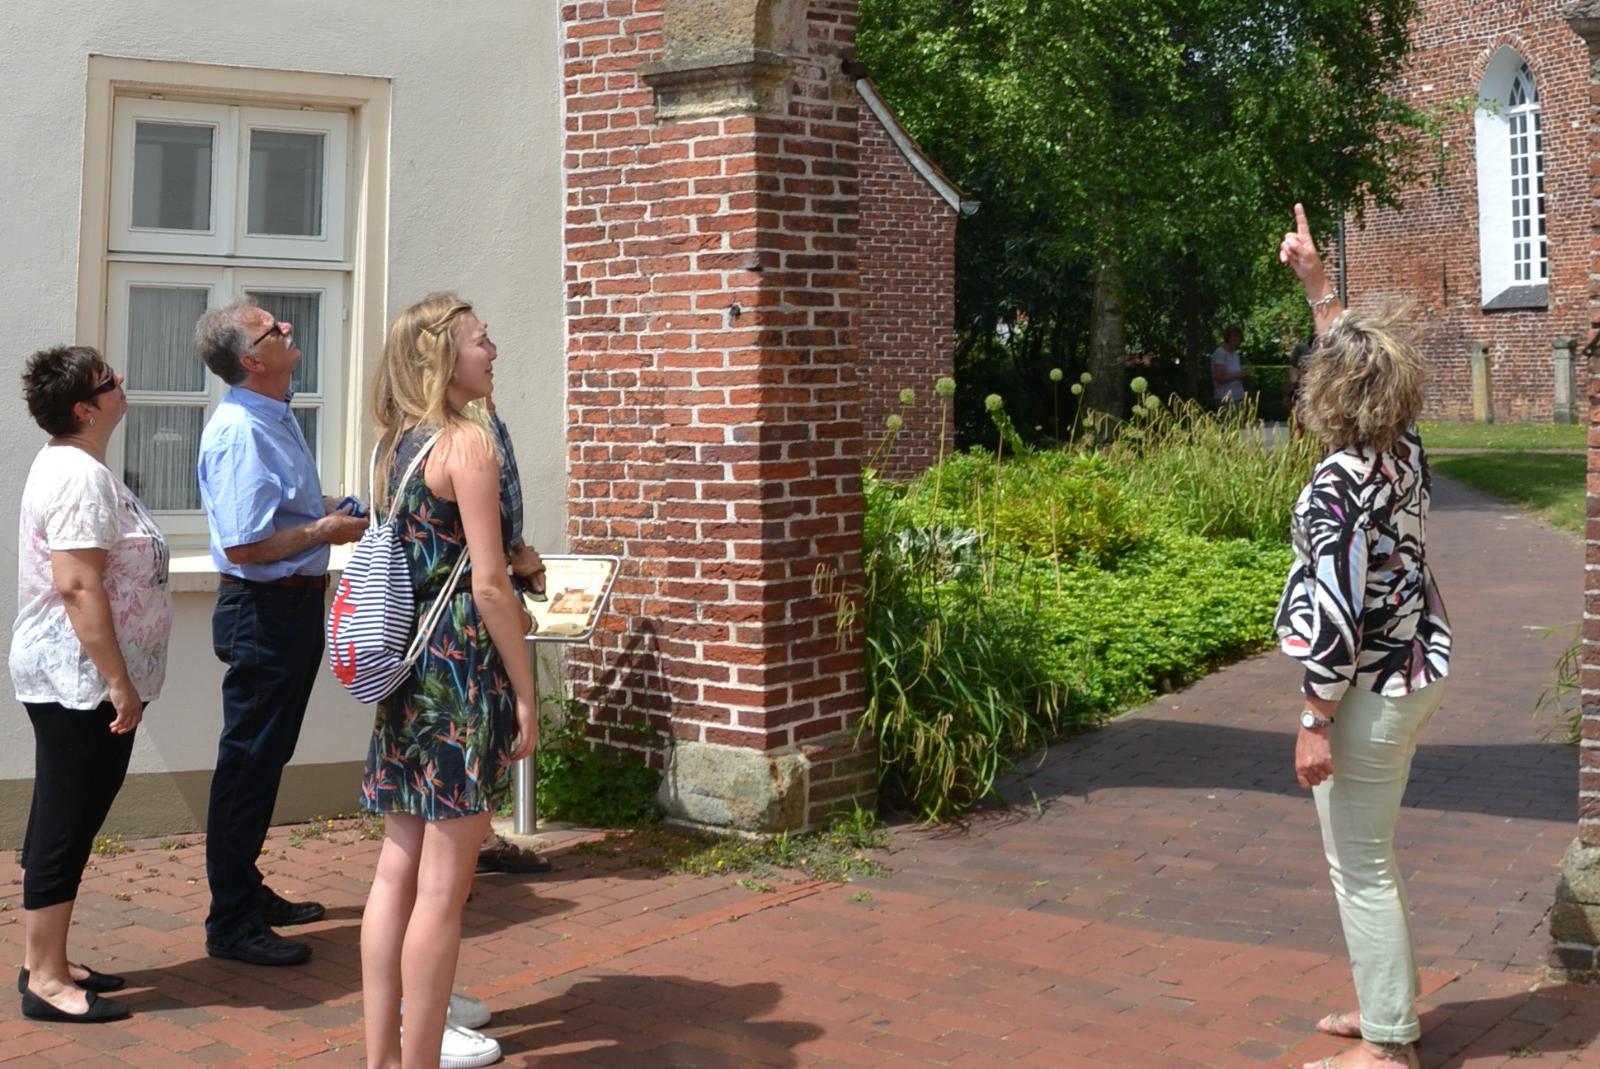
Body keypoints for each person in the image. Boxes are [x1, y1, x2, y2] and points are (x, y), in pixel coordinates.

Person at [1276, 203, 1451, 1069]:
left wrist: (1314, 720)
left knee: (1361, 865)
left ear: (1332, 394)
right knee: (1371, 854)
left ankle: (1388, 1047)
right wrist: (1319, 286)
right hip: (1415, 668)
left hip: (1365, 691)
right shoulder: (1403, 446)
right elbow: (1358, 356)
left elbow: (1338, 616)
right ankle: (1388, 1002)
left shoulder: (1339, 483)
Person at [359, 294, 538, 1069]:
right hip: (462, 667)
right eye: (480, 340)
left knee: (395, 872)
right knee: (442, 888)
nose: (492, 352)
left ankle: (382, 1059)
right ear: (443, 355)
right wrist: (526, 690)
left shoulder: (395, 443)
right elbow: (491, 584)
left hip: (407, 668)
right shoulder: (467, 442)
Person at [194, 300, 368, 967]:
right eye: (273, 329)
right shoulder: (243, 429)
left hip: (286, 609)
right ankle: (231, 921)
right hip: (263, 611)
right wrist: (326, 531)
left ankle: (243, 889)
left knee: (263, 759)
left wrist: (325, 508)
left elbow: (275, 513)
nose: (289, 328)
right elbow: (245, 545)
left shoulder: (272, 412)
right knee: (249, 764)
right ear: (251, 359)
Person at [10, 346, 171, 1023]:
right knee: (66, 823)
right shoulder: (78, 476)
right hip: (79, 681)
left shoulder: (75, 465)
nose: (120, 381)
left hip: (75, 677)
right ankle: (46, 980)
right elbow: (78, 585)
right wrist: (117, 682)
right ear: (84, 408)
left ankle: (45, 958)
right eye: (109, 380)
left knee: (62, 817)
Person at [1211, 325, 1248, 405]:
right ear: (1227, 337)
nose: (1236, 339)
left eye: (1238, 337)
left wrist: (1243, 374)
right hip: (1225, 398)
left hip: (1238, 396)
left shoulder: (1235, 354)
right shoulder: (1220, 353)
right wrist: (1238, 375)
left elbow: (1235, 374)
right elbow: (1219, 378)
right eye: (1233, 336)